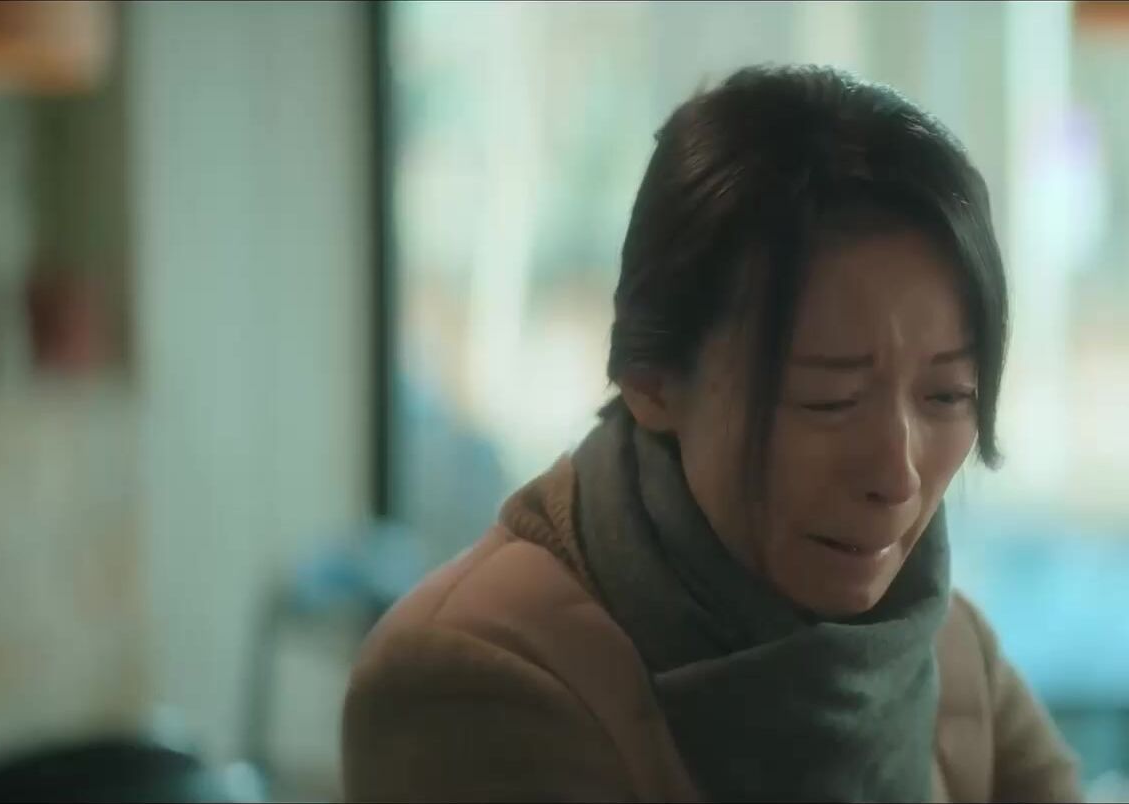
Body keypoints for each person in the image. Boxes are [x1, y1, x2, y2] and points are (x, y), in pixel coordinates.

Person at [340, 64, 1083, 803]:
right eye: (828, 399)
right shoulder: (476, 678)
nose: (898, 475)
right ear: (653, 380)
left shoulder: (939, 647)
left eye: (947, 396)